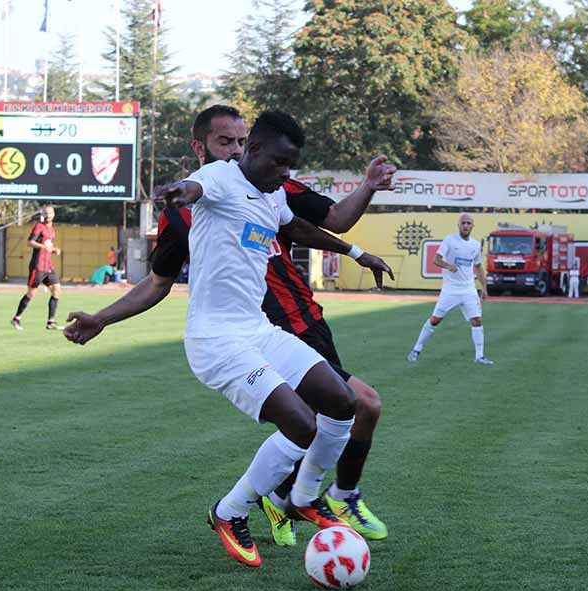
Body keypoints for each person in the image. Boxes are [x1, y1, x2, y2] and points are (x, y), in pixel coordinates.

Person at [64, 105, 396, 549]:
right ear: (249, 151)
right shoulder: (221, 178)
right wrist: (180, 192)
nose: (284, 173)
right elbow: (195, 189)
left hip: (257, 330)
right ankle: (230, 511)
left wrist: (358, 254)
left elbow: (299, 226)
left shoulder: (273, 190)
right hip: (216, 341)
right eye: (278, 162)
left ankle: (302, 496)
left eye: (289, 165)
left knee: (343, 403)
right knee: (300, 424)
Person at [408, 213, 492, 365]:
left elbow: (478, 267)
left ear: (473, 226)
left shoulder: (475, 244)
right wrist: (448, 266)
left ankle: (479, 356)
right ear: (458, 225)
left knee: (477, 320)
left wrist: (484, 288)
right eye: (463, 223)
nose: (466, 226)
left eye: (468, 223)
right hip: (451, 289)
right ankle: (416, 349)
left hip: (468, 289)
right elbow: (436, 260)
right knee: (435, 320)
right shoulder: (450, 240)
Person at [11, 205, 62, 331]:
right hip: (38, 266)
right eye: (46, 213)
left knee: (57, 290)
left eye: (50, 213)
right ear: (42, 214)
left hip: (48, 266)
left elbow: (48, 245)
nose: (48, 215)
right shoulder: (39, 226)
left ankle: (51, 321)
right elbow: (30, 242)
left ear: (54, 214)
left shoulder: (52, 230)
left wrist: (54, 250)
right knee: (31, 294)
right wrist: (43, 247)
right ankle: (16, 318)